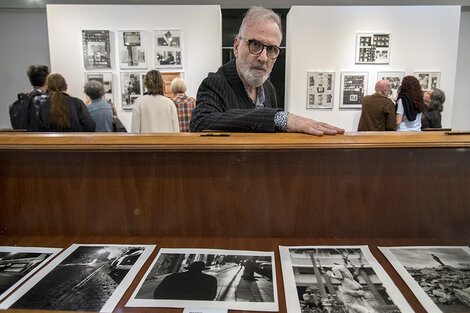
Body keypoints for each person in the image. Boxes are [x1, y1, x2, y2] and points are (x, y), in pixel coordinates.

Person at [190, 6, 344, 136]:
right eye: (255, 44)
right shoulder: (215, 83)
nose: (263, 58)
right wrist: (279, 118)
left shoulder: (268, 88)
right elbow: (200, 123)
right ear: (237, 47)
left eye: (271, 49)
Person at [153, 261, 217, 300]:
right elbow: (210, 297)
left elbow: (157, 294)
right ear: (202, 269)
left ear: (190, 268)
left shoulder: (171, 277)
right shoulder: (211, 280)